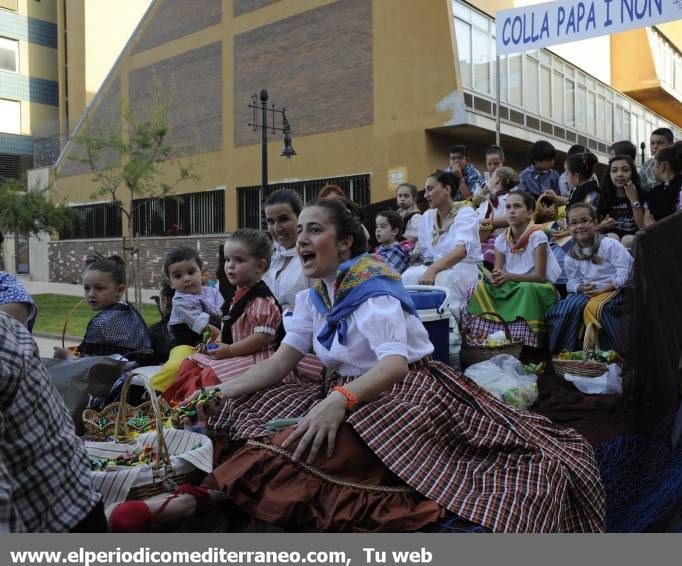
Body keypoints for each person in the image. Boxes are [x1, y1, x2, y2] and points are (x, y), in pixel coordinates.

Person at [108, 198, 605, 534]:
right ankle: (207, 496)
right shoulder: (313, 296)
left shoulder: (372, 289)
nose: (299, 240)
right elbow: (281, 363)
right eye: (296, 232)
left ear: (344, 243)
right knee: (258, 417)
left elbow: (392, 364)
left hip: (406, 391)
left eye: (313, 231)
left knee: (316, 448)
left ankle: (200, 501)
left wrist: (337, 401)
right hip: (350, 391)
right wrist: (218, 393)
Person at [1, 312, 107, 532]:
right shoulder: (6, 323)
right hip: (74, 497)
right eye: (87, 288)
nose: (91, 295)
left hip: (60, 518)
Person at [163, 229, 284, 406]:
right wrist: (212, 345)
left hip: (257, 356)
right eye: (227, 259)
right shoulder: (237, 295)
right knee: (189, 363)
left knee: (210, 374)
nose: (230, 265)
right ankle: (176, 404)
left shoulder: (260, 299)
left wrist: (230, 351)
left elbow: (263, 337)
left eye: (239, 260)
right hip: (235, 350)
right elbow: (227, 328)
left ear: (260, 266)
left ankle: (200, 414)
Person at [462, 191, 561, 348]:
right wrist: (494, 277)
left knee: (526, 290)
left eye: (517, 206)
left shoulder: (537, 236)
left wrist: (508, 276)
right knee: (478, 287)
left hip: (538, 286)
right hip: (513, 283)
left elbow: (541, 277)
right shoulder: (502, 239)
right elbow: (499, 271)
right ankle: (482, 340)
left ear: (529, 213)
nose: (511, 211)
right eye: (508, 207)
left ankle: (526, 346)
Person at [546, 203, 633, 354]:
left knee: (599, 309)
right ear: (568, 228)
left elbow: (627, 270)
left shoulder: (609, 244)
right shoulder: (571, 253)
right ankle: (564, 352)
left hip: (615, 290)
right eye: (574, 223)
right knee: (567, 307)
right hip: (589, 292)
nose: (579, 226)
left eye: (585, 220)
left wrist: (609, 286)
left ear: (595, 223)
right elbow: (572, 282)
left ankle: (611, 354)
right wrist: (580, 288)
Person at [402, 170, 482, 315]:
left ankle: (451, 332)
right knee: (407, 277)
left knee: (446, 281)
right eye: (425, 190)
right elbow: (426, 255)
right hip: (435, 267)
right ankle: (415, 328)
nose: (425, 195)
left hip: (462, 269)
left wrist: (433, 269)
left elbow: (462, 251)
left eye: (430, 189)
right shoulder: (427, 216)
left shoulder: (466, 213)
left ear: (446, 189)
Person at [53, 255, 152, 361]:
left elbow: (85, 366)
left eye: (99, 288)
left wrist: (66, 355)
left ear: (120, 290)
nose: (91, 294)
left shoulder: (101, 323)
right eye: (87, 288)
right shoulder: (130, 312)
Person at [262, 188, 312, 312]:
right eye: (271, 221)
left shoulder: (313, 259)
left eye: (283, 219)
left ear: (300, 217)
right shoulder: (271, 262)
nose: (277, 228)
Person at [164, 247, 224, 347]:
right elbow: (202, 326)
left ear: (202, 273)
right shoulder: (180, 300)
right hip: (189, 343)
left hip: (212, 338)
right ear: (171, 283)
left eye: (191, 272)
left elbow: (224, 313)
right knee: (180, 360)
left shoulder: (212, 291)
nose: (186, 279)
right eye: (178, 276)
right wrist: (223, 339)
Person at [634, 141, 682, 225]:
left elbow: (647, 223)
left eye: (653, 164)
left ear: (662, 166)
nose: (652, 168)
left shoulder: (654, 193)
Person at [595, 154, 643, 248]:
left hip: (633, 239)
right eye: (614, 171)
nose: (620, 174)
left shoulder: (641, 194)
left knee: (628, 240)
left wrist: (634, 199)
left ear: (632, 173)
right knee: (612, 239)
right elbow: (595, 229)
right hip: (611, 237)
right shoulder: (604, 196)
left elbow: (642, 227)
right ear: (609, 174)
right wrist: (602, 226)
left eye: (625, 170)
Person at [475, 166, 519, 265]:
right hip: (482, 239)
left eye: (492, 177)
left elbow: (511, 218)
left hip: (499, 239)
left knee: (488, 255)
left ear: (497, 179)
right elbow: (476, 203)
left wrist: (486, 222)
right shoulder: (487, 200)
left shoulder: (510, 198)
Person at [374, 210, 410, 274]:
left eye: (383, 226)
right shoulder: (380, 249)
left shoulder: (397, 251)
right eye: (377, 226)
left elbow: (387, 275)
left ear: (395, 231)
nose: (378, 230)